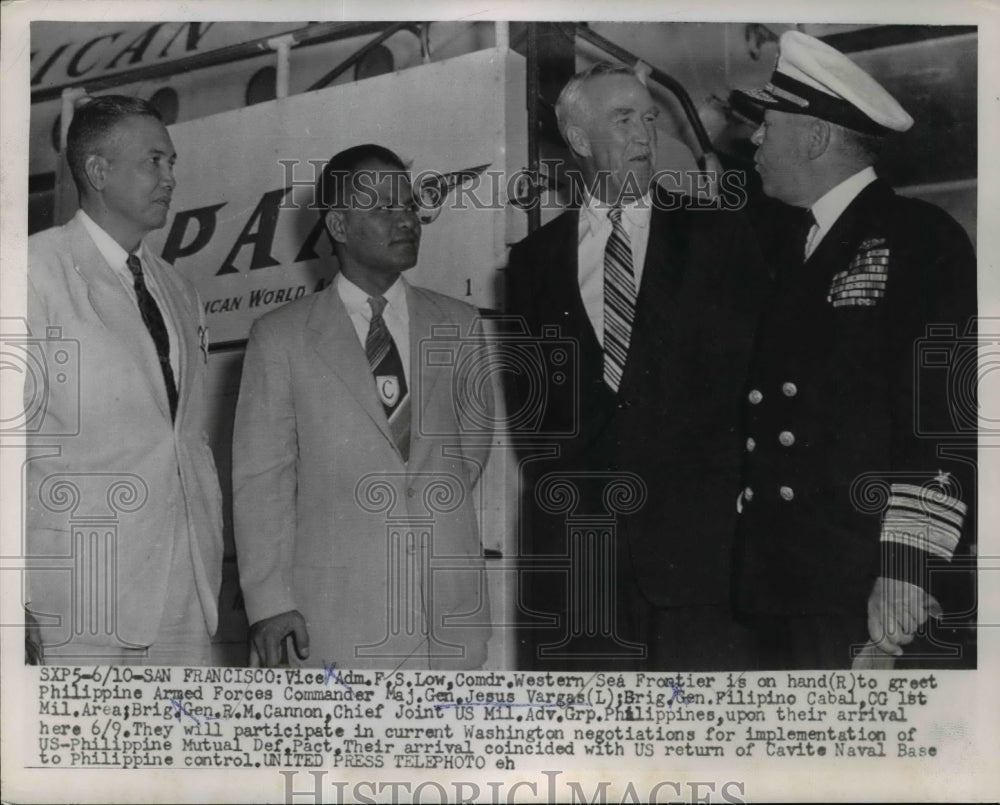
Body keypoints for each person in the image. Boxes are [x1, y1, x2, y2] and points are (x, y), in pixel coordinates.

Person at [506, 63, 768, 670]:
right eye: (623, 119)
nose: (645, 135)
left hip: (698, 562)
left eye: (649, 118)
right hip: (579, 567)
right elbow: (534, 418)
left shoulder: (721, 234)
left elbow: (751, 381)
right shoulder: (532, 262)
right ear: (577, 138)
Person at [731, 31, 977, 669]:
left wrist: (905, 569)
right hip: (792, 580)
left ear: (814, 138)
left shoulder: (920, 238)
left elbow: (940, 418)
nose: (755, 139)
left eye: (770, 125)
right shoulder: (791, 246)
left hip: (869, 584)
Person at [232, 144, 492, 670]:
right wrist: (269, 604)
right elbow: (262, 481)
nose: (407, 220)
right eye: (384, 208)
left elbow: (470, 452)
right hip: (335, 619)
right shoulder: (280, 337)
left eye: (409, 206)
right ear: (340, 225)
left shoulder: (460, 323)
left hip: (448, 614)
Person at [25, 95, 224, 664]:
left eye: (172, 163)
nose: (170, 178)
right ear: (97, 171)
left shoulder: (176, 287)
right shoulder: (32, 271)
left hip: (183, 592)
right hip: (74, 595)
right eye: (153, 161)